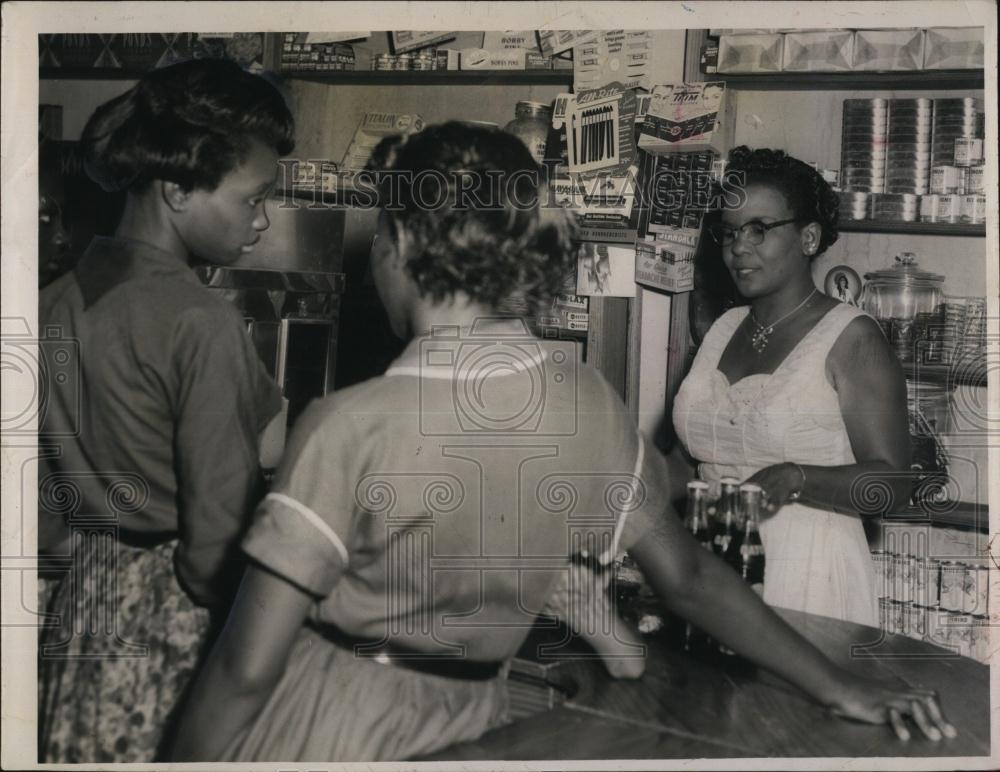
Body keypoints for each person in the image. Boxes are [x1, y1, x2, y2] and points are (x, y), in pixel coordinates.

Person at [171, 125, 953, 764]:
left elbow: (244, 668)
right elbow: (689, 578)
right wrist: (838, 687)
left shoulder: (345, 423)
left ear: (401, 246)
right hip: (479, 726)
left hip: (330, 724)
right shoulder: (585, 403)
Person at [37, 58, 293, 763]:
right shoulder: (199, 321)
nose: (262, 219)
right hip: (177, 621)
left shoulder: (52, 304)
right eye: (252, 199)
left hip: (84, 610)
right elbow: (213, 545)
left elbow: (38, 505)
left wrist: (88, 554)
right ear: (178, 189)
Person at [673, 146, 912, 627]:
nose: (739, 247)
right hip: (714, 566)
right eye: (730, 232)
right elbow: (690, 456)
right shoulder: (722, 328)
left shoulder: (852, 337)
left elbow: (894, 484)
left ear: (808, 237)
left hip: (809, 574)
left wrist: (796, 478)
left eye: (759, 229)